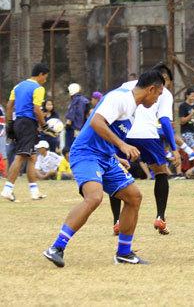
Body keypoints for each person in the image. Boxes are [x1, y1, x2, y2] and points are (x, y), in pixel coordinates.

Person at [42, 70, 164, 267]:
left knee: (134, 197)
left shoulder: (132, 108)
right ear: (151, 89)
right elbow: (97, 122)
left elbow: (104, 132)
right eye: (158, 94)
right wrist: (123, 146)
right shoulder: (120, 99)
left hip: (106, 158)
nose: (158, 99)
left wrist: (116, 155)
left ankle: (124, 253)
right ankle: (56, 247)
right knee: (94, 197)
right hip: (86, 153)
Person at [111, 63, 181, 236]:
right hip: (147, 135)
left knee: (115, 173)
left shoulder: (128, 86)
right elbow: (164, 121)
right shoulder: (164, 92)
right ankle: (160, 217)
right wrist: (174, 148)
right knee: (161, 172)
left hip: (122, 134)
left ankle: (117, 221)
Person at [1, 63, 54, 202]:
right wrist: (44, 125)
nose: (46, 79)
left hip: (18, 122)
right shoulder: (38, 88)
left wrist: (10, 125)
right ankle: (7, 189)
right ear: (41, 74)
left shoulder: (18, 86)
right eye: (46, 76)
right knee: (21, 156)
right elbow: (37, 109)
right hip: (28, 124)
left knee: (32, 157)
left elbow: (9, 106)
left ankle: (34, 191)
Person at [64, 83, 89, 151]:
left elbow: (71, 114)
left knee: (70, 148)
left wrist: (68, 124)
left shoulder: (75, 100)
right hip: (82, 128)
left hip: (73, 128)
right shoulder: (85, 100)